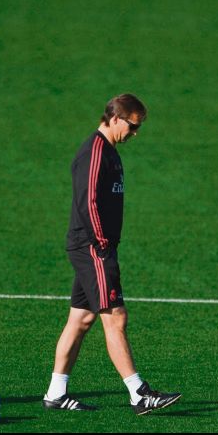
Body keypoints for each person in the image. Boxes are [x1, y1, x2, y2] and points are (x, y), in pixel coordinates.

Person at [43, 93, 181, 415]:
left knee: (81, 318)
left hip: (94, 246)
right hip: (93, 246)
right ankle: (139, 393)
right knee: (116, 316)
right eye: (133, 126)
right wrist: (102, 245)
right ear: (116, 118)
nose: (136, 133)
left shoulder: (111, 152)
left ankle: (56, 393)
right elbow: (88, 200)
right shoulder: (94, 152)